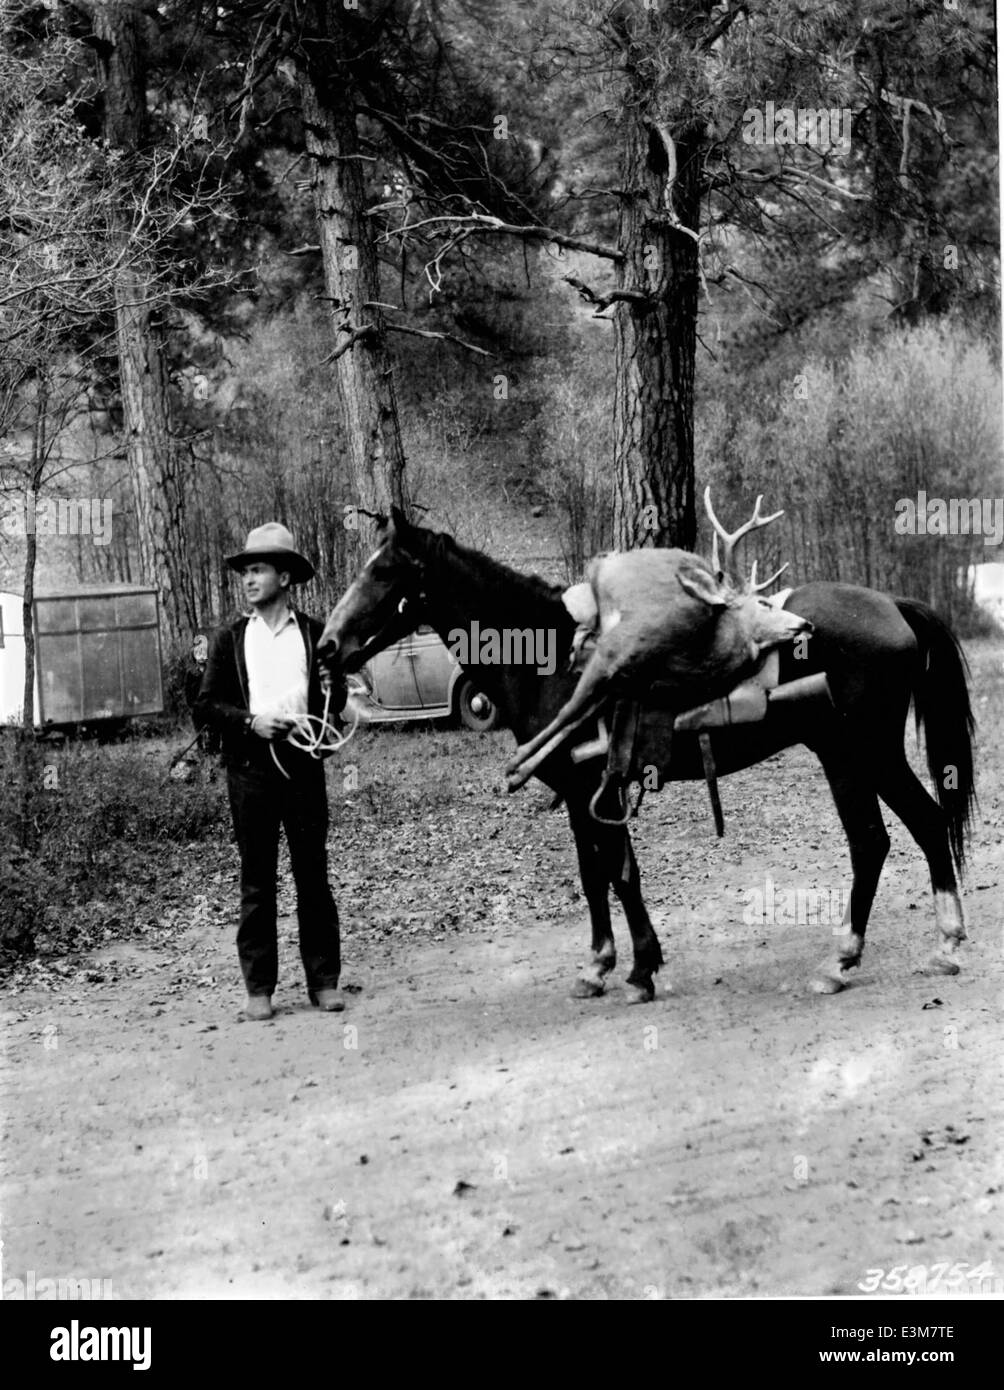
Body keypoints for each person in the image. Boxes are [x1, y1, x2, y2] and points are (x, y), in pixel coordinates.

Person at [196, 523, 346, 1021]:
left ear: (285, 576)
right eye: (245, 571)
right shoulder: (230, 640)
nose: (248, 579)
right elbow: (206, 708)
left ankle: (324, 982)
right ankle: (259, 990)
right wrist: (251, 722)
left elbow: (335, 706)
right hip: (250, 774)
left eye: (258, 569)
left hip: (303, 771)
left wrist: (335, 685)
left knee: (313, 879)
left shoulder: (317, 633)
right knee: (258, 883)